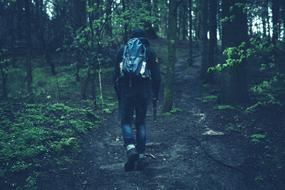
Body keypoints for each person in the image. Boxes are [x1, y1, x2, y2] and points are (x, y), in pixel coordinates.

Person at [114, 29, 161, 171]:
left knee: (125, 121)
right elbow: (157, 77)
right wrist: (155, 95)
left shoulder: (122, 50)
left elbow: (115, 74)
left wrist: (118, 93)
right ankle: (140, 156)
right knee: (140, 122)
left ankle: (130, 148)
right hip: (143, 91)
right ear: (144, 38)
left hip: (126, 90)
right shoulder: (149, 51)